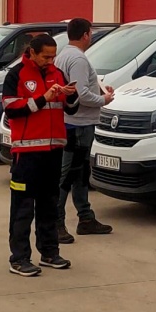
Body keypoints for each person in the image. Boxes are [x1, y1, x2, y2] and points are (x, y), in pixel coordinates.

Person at [2, 34, 79, 277]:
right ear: (32, 52)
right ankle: (19, 258)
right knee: (22, 208)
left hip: (53, 151)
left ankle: (49, 252)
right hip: (26, 154)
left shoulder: (57, 73)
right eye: (46, 56)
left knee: (49, 204)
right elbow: (11, 110)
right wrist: (42, 99)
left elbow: (72, 108)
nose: (50, 60)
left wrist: (71, 94)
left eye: (53, 56)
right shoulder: (17, 75)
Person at [54, 18, 115, 242]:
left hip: (74, 123)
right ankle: (56, 222)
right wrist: (103, 98)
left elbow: (76, 87)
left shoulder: (64, 55)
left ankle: (86, 218)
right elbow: (80, 94)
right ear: (86, 34)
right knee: (67, 176)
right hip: (77, 126)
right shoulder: (78, 59)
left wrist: (98, 88)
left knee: (80, 174)